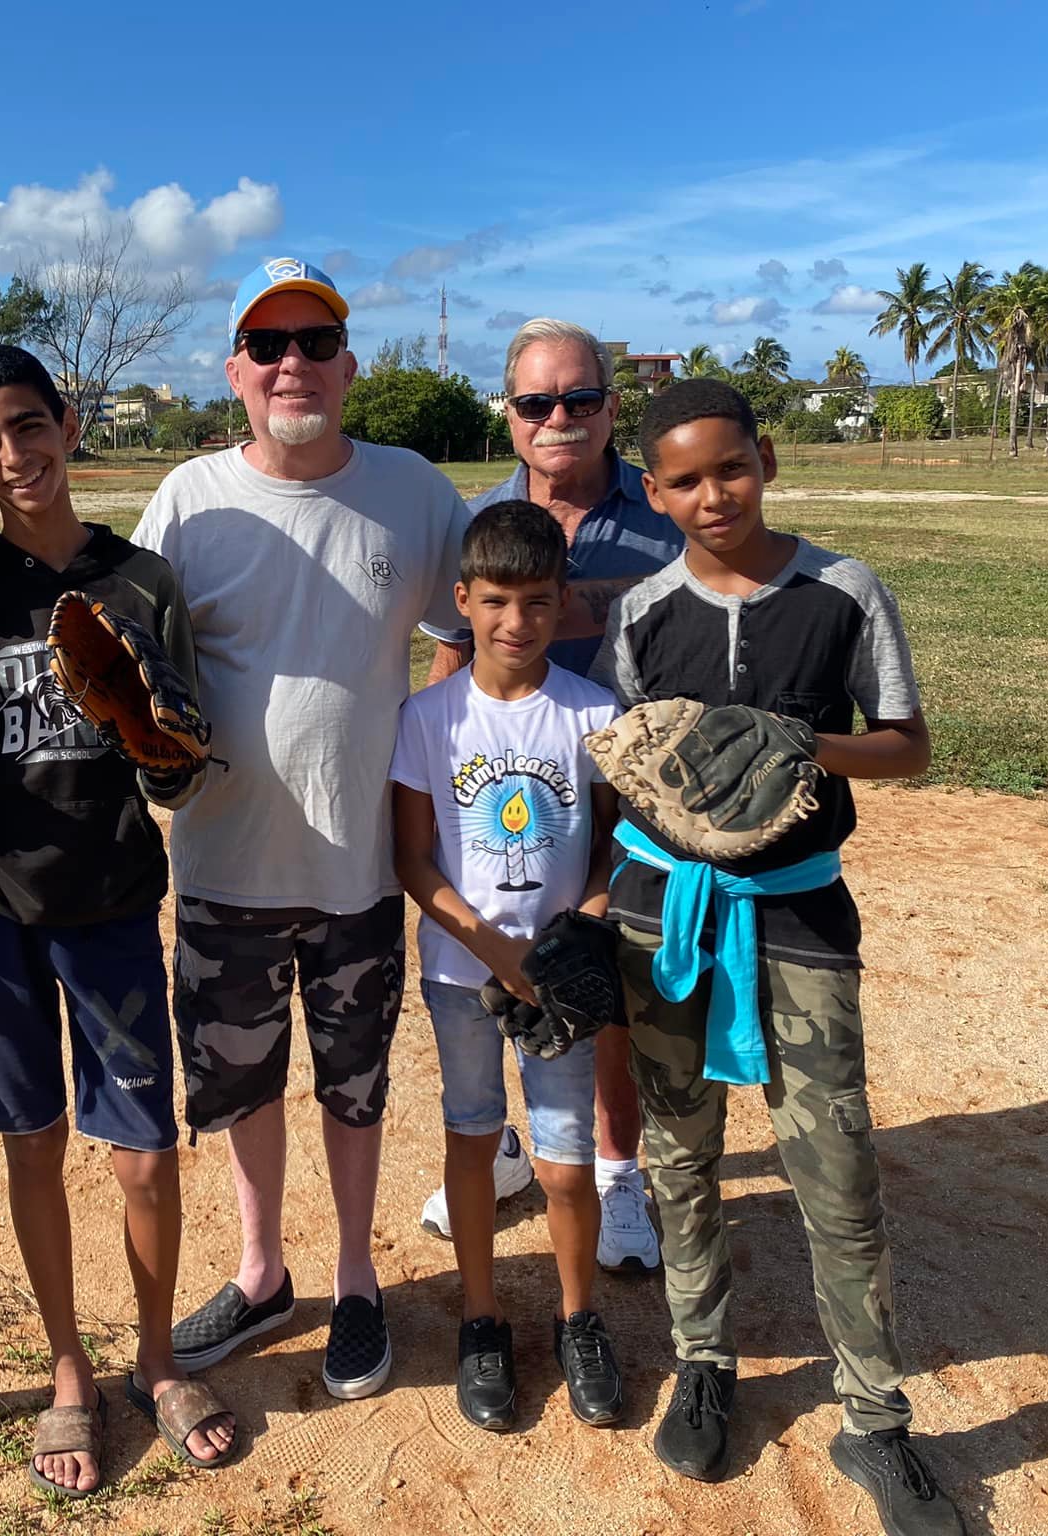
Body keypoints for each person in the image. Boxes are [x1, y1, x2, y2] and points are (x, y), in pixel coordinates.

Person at [594, 379, 964, 1536]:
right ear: (652, 494)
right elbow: (629, 760)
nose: (714, 496)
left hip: (799, 913)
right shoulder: (644, 611)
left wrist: (801, 744)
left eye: (730, 468)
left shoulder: (841, 592)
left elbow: (906, 747)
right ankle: (706, 1360)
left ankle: (875, 1418)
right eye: (685, 480)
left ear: (765, 460)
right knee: (679, 1149)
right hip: (666, 914)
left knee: (834, 1166)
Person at [0, 344, 234, 1500]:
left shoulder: (142, 582)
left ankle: (159, 1360)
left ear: (68, 425)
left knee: (140, 1155)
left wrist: (162, 746)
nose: (12, 455)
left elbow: (175, 771)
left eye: (28, 426)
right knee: (30, 1143)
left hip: (117, 904)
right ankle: (69, 1369)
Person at [133, 257, 472, 1399]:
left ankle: (356, 1276)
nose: (293, 364)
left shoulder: (413, 492)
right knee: (239, 1083)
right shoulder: (186, 500)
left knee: (353, 1084)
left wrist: (425, 740)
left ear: (348, 364)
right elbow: (125, 663)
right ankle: (262, 1268)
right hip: (225, 859)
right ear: (234, 369)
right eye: (267, 345)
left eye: (314, 342)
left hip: (358, 862)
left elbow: (473, 619)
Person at [420, 318, 682, 1274]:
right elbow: (448, 657)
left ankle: (616, 1174)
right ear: (511, 412)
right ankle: (494, 1151)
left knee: (599, 983)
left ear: (612, 407)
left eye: (580, 399)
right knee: (483, 967)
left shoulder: (658, 520)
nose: (559, 418)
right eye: (537, 403)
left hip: (620, 791)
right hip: (500, 787)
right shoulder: (479, 518)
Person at [390, 499, 625, 1433]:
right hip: (463, 975)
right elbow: (413, 860)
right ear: (463, 601)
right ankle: (481, 1321)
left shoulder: (594, 713)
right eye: (495, 600)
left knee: (567, 1165)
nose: (515, 623)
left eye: (536, 601)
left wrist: (584, 928)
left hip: (559, 984)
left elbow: (614, 848)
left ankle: (579, 1318)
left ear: (564, 604)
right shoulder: (429, 718)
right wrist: (494, 948)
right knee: (474, 1142)